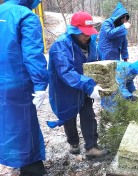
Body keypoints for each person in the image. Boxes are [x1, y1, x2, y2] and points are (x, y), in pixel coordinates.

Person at [48, 11, 108, 159]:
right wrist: (88, 85)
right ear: (74, 31)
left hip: (86, 86)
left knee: (88, 113)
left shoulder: (91, 43)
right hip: (65, 88)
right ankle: (74, 143)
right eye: (83, 33)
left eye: (89, 33)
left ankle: (91, 147)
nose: (87, 36)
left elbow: (100, 62)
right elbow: (66, 71)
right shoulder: (61, 46)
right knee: (69, 115)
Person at [0, 0, 48, 175]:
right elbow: (33, 54)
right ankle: (32, 169)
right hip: (17, 84)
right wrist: (40, 83)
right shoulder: (26, 16)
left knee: (4, 124)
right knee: (25, 128)